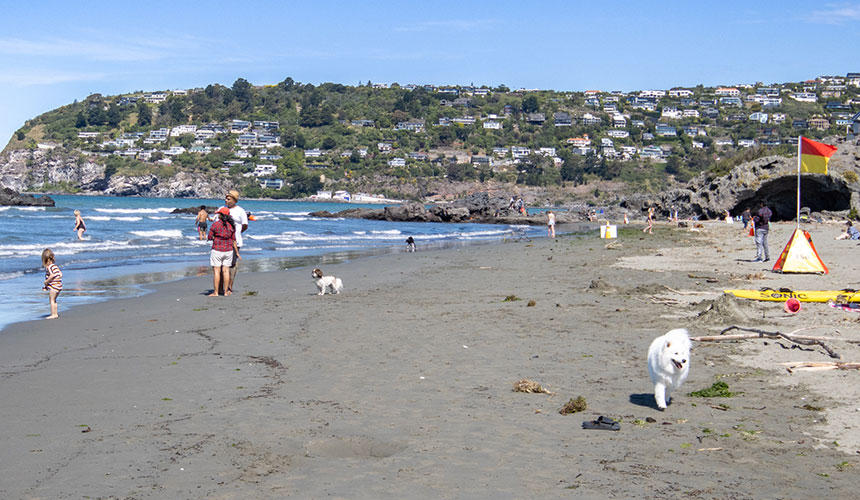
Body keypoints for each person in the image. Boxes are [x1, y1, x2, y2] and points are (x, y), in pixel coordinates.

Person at [207, 207, 240, 296]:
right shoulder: (232, 226)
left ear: (220, 215)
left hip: (217, 249)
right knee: (226, 271)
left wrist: (215, 238)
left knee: (217, 271)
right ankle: (226, 292)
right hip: (228, 250)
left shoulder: (215, 225)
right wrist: (237, 252)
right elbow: (234, 239)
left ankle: (216, 292)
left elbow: (209, 237)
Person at [224, 190, 249, 294]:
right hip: (223, 241)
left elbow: (245, 225)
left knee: (232, 264)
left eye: (228, 199)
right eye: (226, 198)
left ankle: (229, 287)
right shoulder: (223, 210)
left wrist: (237, 233)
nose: (226, 200)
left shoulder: (240, 211)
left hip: (235, 241)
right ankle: (223, 286)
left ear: (234, 200)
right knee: (223, 264)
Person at [41, 248, 62, 319]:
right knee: (54, 300)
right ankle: (55, 313)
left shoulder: (49, 267)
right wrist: (46, 287)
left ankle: (53, 314)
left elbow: (52, 275)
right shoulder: (55, 266)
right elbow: (60, 274)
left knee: (51, 300)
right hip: (58, 286)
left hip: (54, 287)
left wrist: (46, 282)